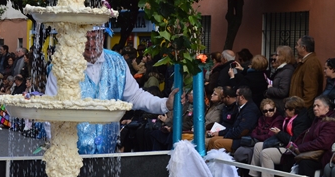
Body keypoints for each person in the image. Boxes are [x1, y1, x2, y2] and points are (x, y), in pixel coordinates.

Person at [44, 27, 181, 154]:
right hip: (71, 154)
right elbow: (50, 110)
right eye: (85, 38)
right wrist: (58, 149)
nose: (90, 43)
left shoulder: (117, 62)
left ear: (103, 37)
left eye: (95, 38)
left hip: (108, 154)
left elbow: (136, 96)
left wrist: (165, 104)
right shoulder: (61, 66)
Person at [284, 95, 335, 177]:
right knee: (289, 156)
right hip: (314, 152)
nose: (315, 108)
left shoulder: (331, 123)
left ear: (327, 108)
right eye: (314, 106)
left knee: (305, 163)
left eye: (318, 106)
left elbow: (323, 143)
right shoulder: (318, 120)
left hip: (325, 155)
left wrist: (301, 148)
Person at [249, 96, 311, 177]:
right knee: (258, 146)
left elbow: (294, 140)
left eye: (287, 109)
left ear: (293, 110)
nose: (284, 110)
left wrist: (279, 133)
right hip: (282, 144)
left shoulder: (301, 121)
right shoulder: (289, 118)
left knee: (266, 153)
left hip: (292, 149)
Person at [234, 98, 284, 177]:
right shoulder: (261, 119)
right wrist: (260, 135)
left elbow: (270, 135)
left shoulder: (278, 119)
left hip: (274, 143)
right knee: (256, 146)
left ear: (275, 109)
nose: (268, 113)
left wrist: (259, 135)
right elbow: (254, 132)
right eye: (265, 111)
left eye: (271, 110)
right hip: (262, 143)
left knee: (260, 148)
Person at [206, 86, 260, 153]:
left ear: (241, 97)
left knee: (217, 143)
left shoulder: (250, 110)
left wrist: (225, 135)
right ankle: (208, 162)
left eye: (236, 95)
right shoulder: (241, 107)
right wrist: (222, 133)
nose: (235, 97)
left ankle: (217, 163)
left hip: (242, 139)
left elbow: (242, 131)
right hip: (234, 135)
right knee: (212, 140)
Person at [289, 35, 324, 108]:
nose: (295, 47)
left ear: (304, 48)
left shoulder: (311, 63)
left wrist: (302, 109)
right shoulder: (306, 61)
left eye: (297, 45)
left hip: (303, 109)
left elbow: (310, 91)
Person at [265, 45, 296, 112]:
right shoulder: (282, 70)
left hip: (280, 106)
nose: (275, 57)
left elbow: (283, 91)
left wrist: (270, 89)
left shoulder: (287, 71)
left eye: (277, 55)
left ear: (283, 57)